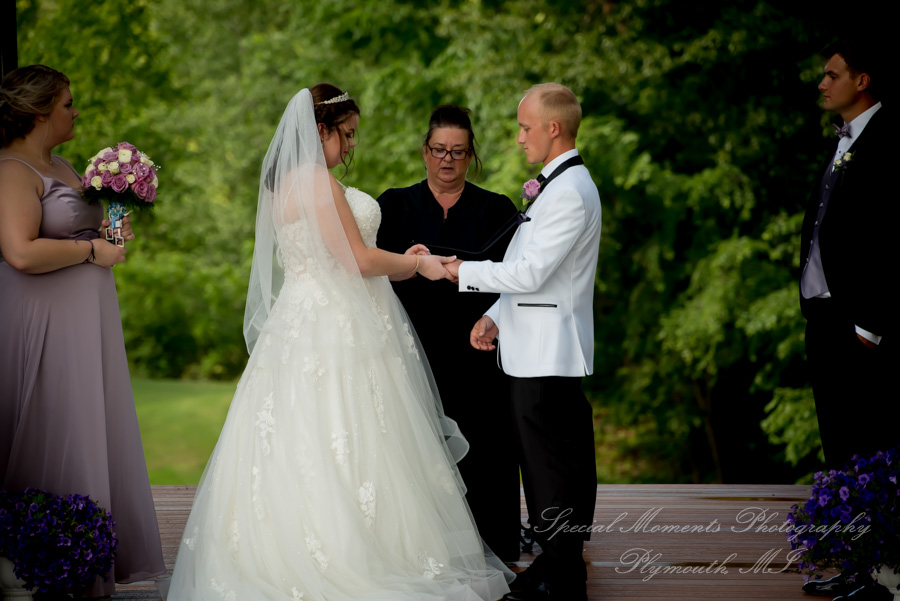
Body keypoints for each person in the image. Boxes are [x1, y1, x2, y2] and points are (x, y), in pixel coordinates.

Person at [163, 84, 511, 601]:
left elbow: (347, 255)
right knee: (351, 435)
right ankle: (353, 554)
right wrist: (419, 264)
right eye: (345, 135)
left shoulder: (283, 186)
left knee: (299, 438)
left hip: (301, 322)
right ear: (319, 131)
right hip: (337, 329)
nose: (350, 147)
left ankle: (286, 547)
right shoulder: (318, 183)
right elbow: (359, 262)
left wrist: (401, 257)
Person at [0, 65, 166, 597]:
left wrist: (116, 221)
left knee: (87, 425)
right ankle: (37, 558)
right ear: (39, 111)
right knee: (48, 427)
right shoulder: (11, 171)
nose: (76, 112)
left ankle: (82, 555)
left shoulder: (66, 164)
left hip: (87, 326)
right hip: (42, 325)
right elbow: (21, 252)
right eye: (68, 104)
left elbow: (87, 232)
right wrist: (93, 249)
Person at [446, 83, 600, 601]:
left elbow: (531, 273)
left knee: (552, 467)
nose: (518, 138)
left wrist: (461, 271)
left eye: (525, 127)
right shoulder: (555, 187)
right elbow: (527, 270)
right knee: (544, 466)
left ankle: (562, 575)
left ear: (553, 128)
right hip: (531, 345)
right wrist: (493, 316)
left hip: (547, 351)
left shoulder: (572, 192)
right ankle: (555, 566)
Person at [376, 104, 521, 563]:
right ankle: (419, 554)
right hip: (409, 350)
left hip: (476, 351)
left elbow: (517, 280)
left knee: (484, 453)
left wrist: (495, 318)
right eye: (439, 149)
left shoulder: (497, 210)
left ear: (471, 156)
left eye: (458, 152)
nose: (447, 160)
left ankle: (491, 549)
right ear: (424, 151)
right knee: (413, 455)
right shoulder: (394, 206)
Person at [798, 38, 897, 601]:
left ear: (862, 81)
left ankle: (880, 574)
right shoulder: (845, 142)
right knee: (839, 448)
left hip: (861, 326)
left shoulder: (887, 143)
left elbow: (891, 242)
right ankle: (853, 563)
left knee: (869, 447)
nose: (822, 82)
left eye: (831, 74)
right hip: (824, 318)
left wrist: (870, 324)